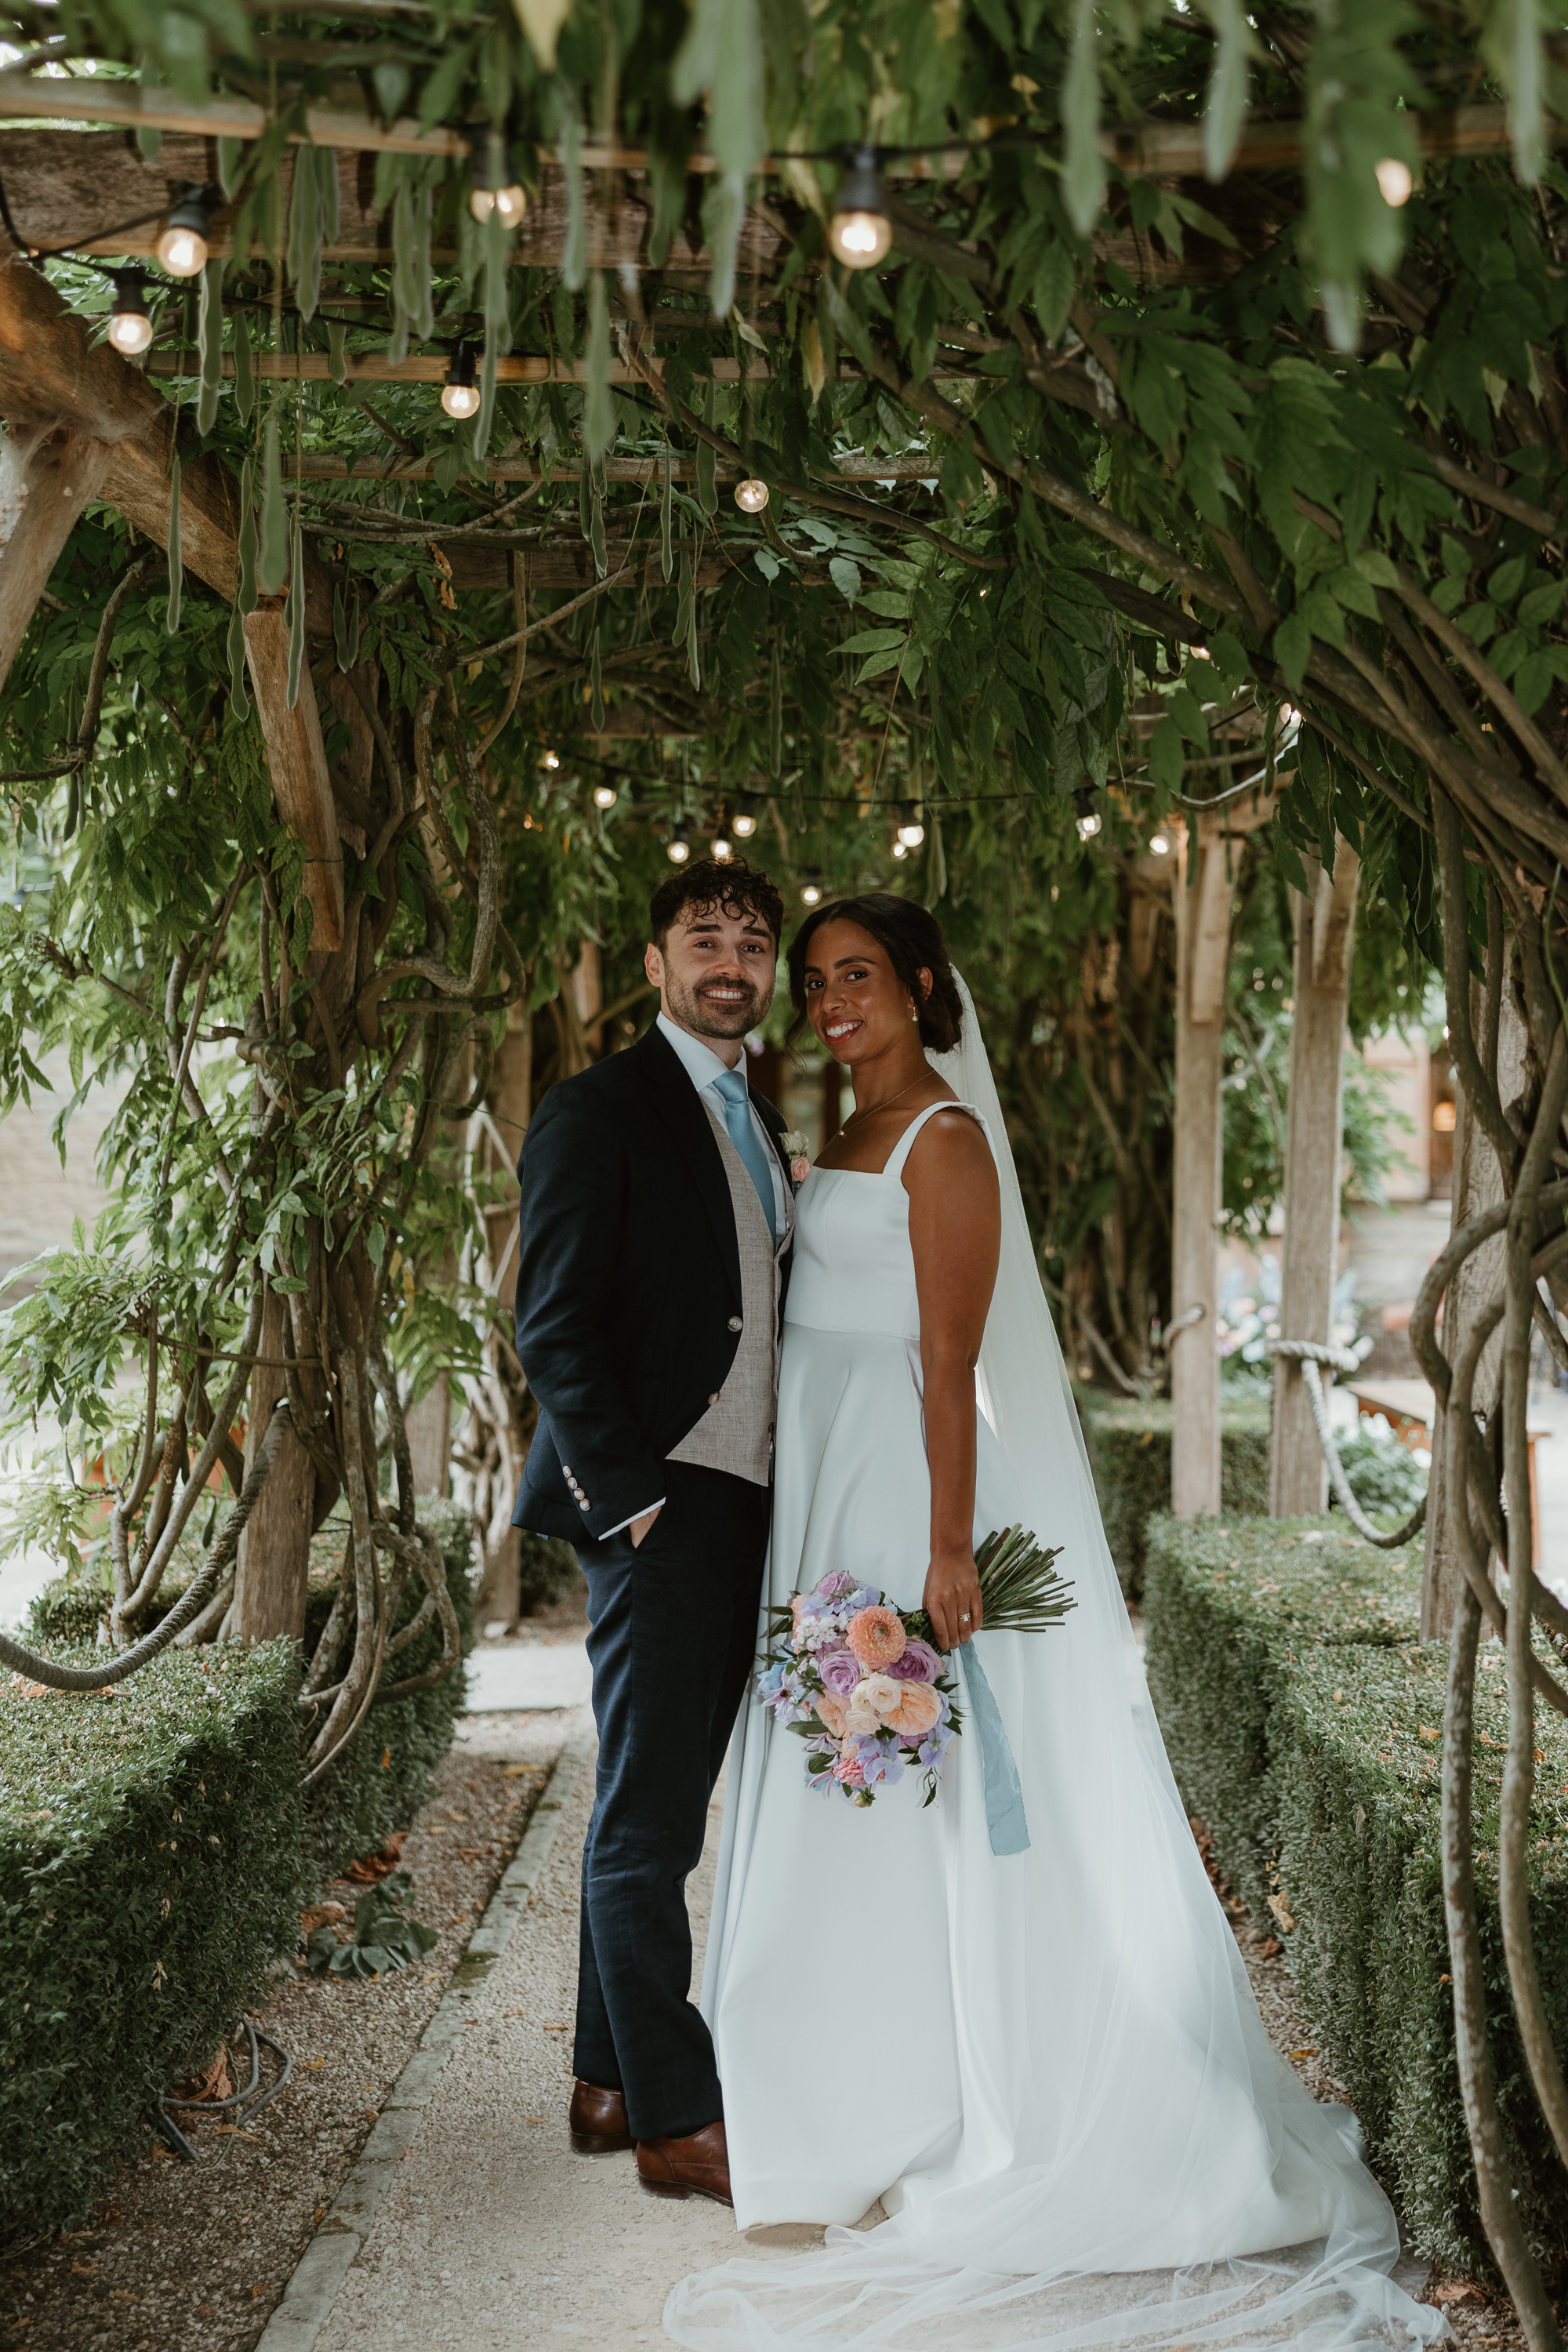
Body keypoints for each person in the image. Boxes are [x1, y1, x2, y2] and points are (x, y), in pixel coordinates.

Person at [666, 895, 1446, 2352]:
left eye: (861, 978)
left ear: (919, 989)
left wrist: (948, 1549)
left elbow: (949, 1366)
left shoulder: (943, 1143)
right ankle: (829, 2109)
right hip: (820, 1496)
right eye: (820, 980)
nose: (833, 1001)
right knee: (838, 1789)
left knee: (914, 1799)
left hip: (897, 1502)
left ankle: (935, 2103)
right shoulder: (832, 1127)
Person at [510, 857, 794, 2209]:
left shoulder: (757, 1111)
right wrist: (627, 1498)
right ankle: (679, 2119)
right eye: (704, 938)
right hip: (659, 1502)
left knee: (658, 1803)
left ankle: (604, 2078)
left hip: (739, 1503)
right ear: (655, 964)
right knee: (646, 1818)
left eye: (750, 941)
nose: (729, 961)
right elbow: (549, 1321)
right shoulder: (601, 1108)